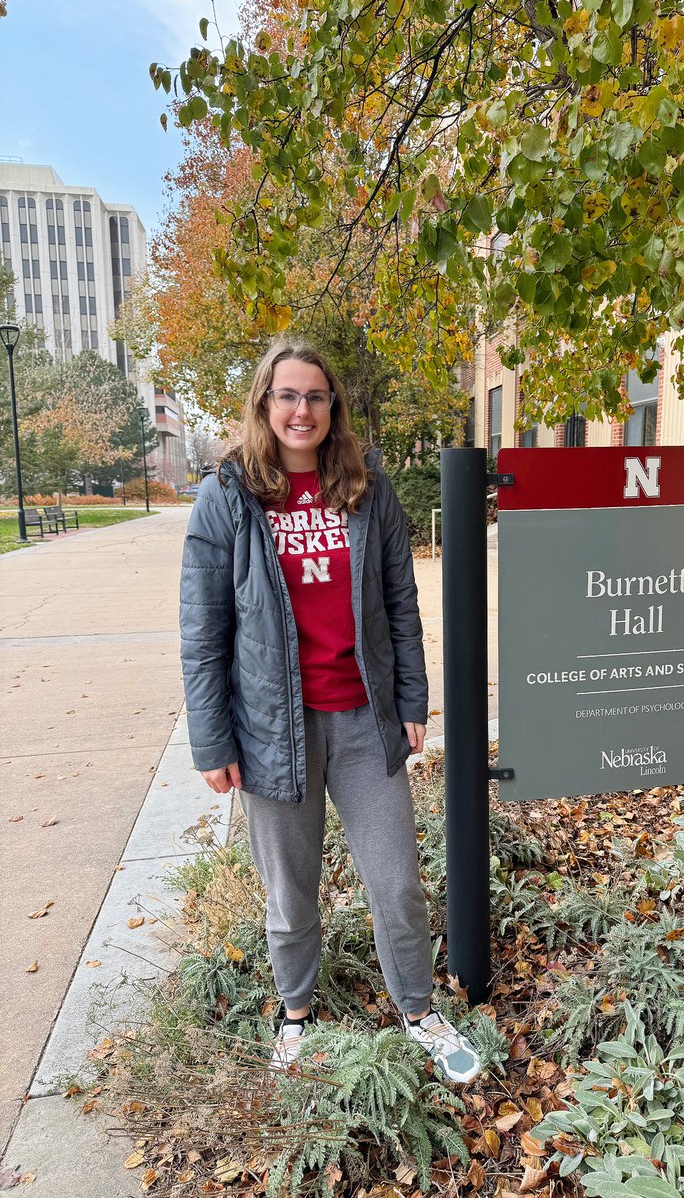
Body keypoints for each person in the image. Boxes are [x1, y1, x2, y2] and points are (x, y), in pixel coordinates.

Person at [178, 342, 481, 1084]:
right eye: (287, 396)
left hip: (361, 721)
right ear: (263, 403)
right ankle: (296, 1015)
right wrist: (212, 738)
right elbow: (202, 628)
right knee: (290, 892)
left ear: (332, 407)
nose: (302, 410)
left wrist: (412, 699)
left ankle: (419, 1009)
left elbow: (398, 604)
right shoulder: (229, 495)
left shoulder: (366, 488)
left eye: (316, 397)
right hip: (269, 731)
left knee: (398, 880)